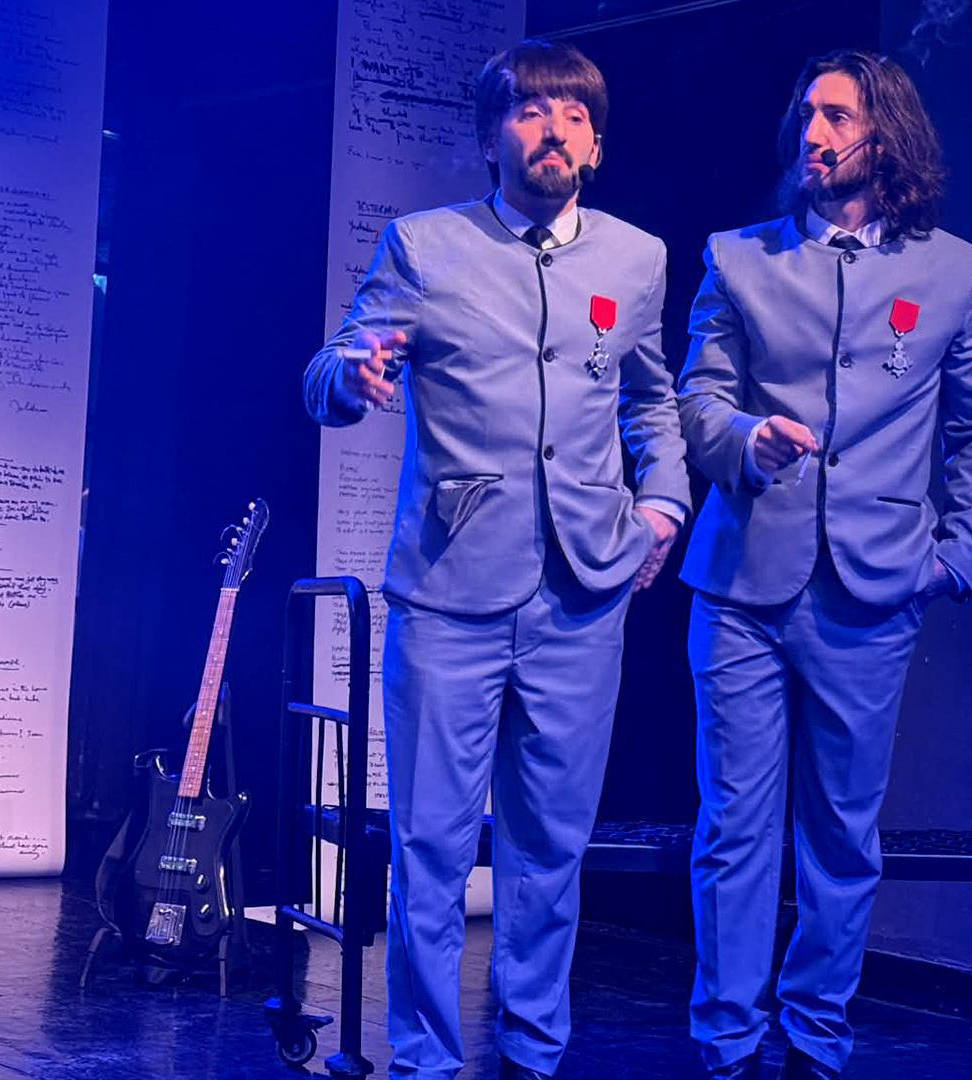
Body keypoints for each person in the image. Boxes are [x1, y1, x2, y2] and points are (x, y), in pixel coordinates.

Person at [301, 39, 689, 1080]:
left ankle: (531, 1050)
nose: (553, 128)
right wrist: (353, 377)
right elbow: (326, 371)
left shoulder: (638, 258)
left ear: (595, 145)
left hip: (583, 593)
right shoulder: (424, 246)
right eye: (530, 109)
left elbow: (652, 400)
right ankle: (426, 1059)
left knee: (550, 847)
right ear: (490, 137)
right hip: (451, 589)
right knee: (431, 846)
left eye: (573, 114)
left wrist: (663, 503)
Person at [673, 49, 972, 1080]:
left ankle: (816, 1038)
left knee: (842, 836)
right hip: (741, 584)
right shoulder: (738, 258)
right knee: (735, 829)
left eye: (836, 117)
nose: (813, 136)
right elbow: (697, 403)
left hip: (873, 591)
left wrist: (954, 558)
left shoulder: (956, 271)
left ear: (886, 136)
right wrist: (747, 440)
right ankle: (728, 1044)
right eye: (806, 115)